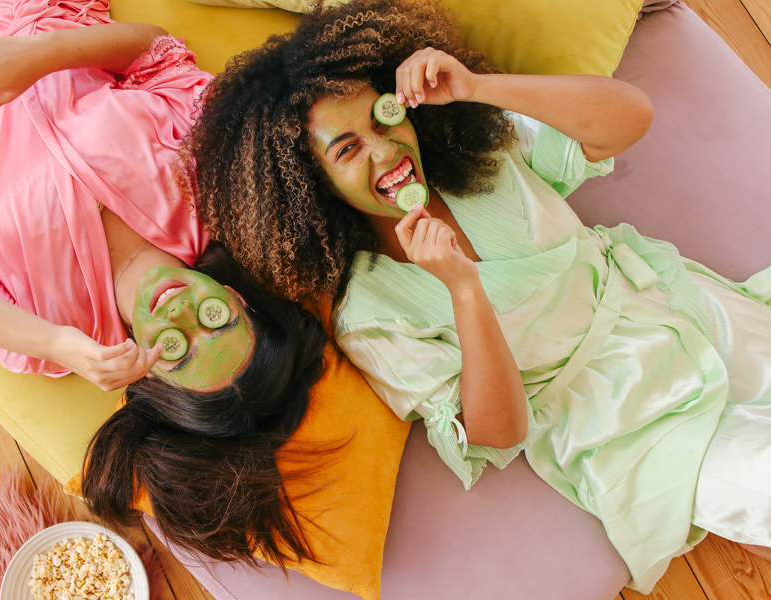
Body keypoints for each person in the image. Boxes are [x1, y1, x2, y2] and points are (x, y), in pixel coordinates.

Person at [187, 0, 771, 591]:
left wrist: (477, 86)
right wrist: (464, 289)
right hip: (621, 426)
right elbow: (498, 431)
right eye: (347, 149)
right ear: (310, 186)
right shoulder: (367, 310)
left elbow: (631, 118)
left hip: (680, 310)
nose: (385, 150)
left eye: (382, 118)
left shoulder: (479, 152)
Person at [0, 0, 328, 566]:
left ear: (156, 378)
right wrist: (41, 55)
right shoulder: (212, 190)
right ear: (237, 299)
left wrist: (53, 342)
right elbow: (156, 52)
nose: (182, 313)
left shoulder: (55, 336)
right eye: (217, 319)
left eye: (178, 350)